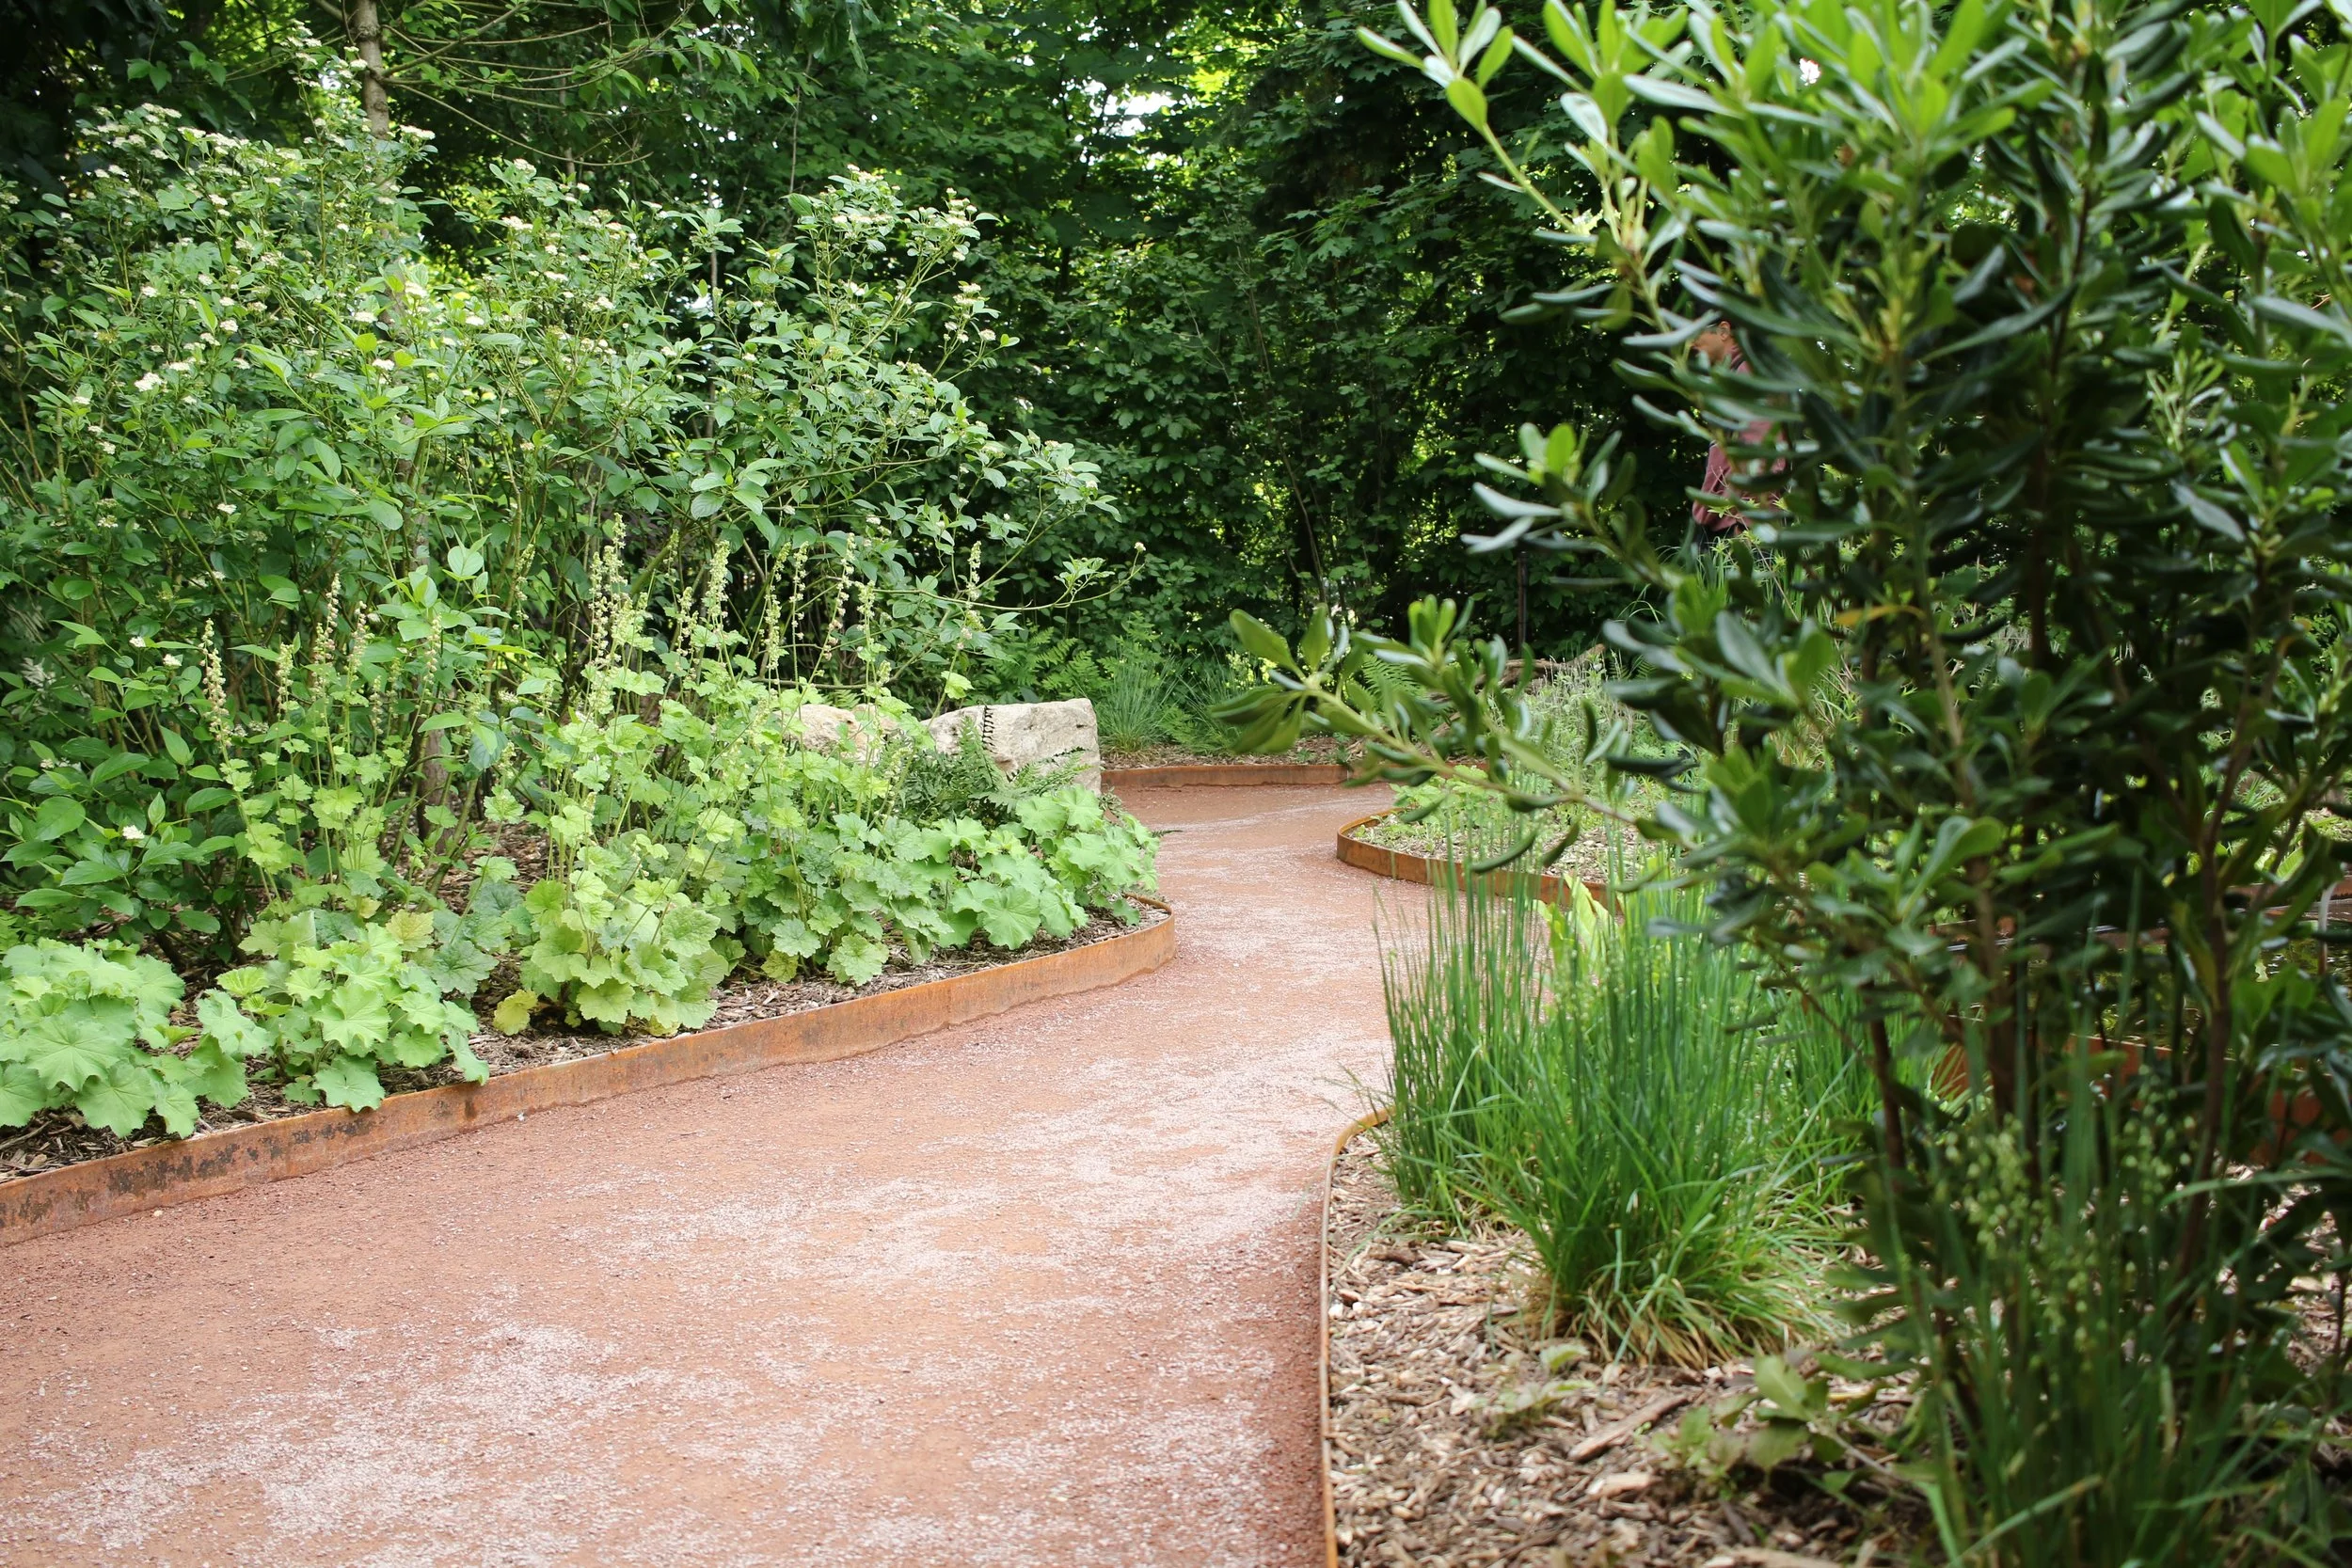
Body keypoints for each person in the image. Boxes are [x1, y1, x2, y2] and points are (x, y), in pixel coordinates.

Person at [1690, 322, 1776, 531]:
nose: (1691, 343)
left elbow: (1764, 452)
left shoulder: (1750, 374)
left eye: (1696, 332)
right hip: (1726, 517)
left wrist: (1744, 521)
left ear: (1724, 331)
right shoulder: (1732, 378)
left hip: (1742, 523)